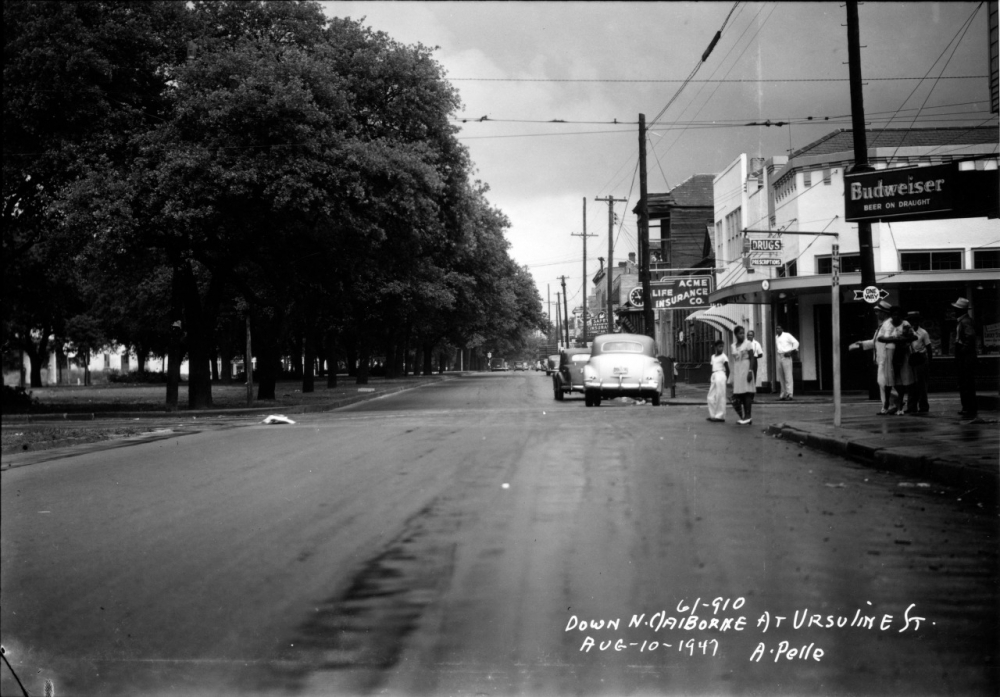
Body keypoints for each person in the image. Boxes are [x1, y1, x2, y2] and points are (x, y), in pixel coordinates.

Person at [850, 301, 914, 415]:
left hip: (888, 357)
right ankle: (892, 404)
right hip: (883, 358)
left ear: (884, 313)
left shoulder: (889, 324)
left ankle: (893, 404)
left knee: (884, 382)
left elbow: (888, 340)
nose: (876, 314)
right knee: (884, 382)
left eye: (878, 312)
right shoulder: (883, 325)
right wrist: (863, 344)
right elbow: (876, 341)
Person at [952, 297, 978, 419]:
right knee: (965, 382)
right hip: (965, 354)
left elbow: (970, 337)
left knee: (966, 382)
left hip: (966, 356)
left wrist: (963, 351)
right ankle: (967, 407)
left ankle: (968, 407)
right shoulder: (963, 321)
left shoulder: (965, 321)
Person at [905, 311, 933, 414]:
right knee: (911, 384)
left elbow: (929, 348)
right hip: (911, 359)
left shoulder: (923, 333)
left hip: (921, 359)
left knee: (921, 385)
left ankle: (923, 407)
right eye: (912, 321)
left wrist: (929, 362)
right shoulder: (908, 333)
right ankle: (911, 407)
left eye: (916, 321)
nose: (914, 323)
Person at [730, 326, 758, 426]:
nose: (742, 335)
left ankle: (748, 415)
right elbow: (733, 360)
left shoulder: (748, 344)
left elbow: (752, 358)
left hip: (746, 368)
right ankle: (745, 417)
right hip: (737, 370)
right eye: (740, 333)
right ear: (735, 334)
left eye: (743, 333)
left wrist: (750, 371)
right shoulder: (733, 346)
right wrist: (731, 376)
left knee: (747, 392)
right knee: (740, 393)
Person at [774, 324, 799, 400]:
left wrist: (791, 352)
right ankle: (783, 393)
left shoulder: (787, 335)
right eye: (776, 328)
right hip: (779, 356)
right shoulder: (776, 337)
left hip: (786, 355)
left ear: (782, 329)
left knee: (788, 375)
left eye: (779, 328)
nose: (777, 330)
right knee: (781, 376)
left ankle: (789, 394)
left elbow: (796, 342)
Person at [707, 340, 729, 422]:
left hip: (721, 375)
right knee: (710, 396)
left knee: (720, 396)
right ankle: (713, 415)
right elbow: (712, 367)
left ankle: (720, 416)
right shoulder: (713, 356)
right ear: (716, 347)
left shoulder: (724, 357)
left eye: (722, 346)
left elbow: (728, 369)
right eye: (720, 346)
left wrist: (726, 379)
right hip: (714, 375)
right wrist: (710, 376)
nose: (721, 348)